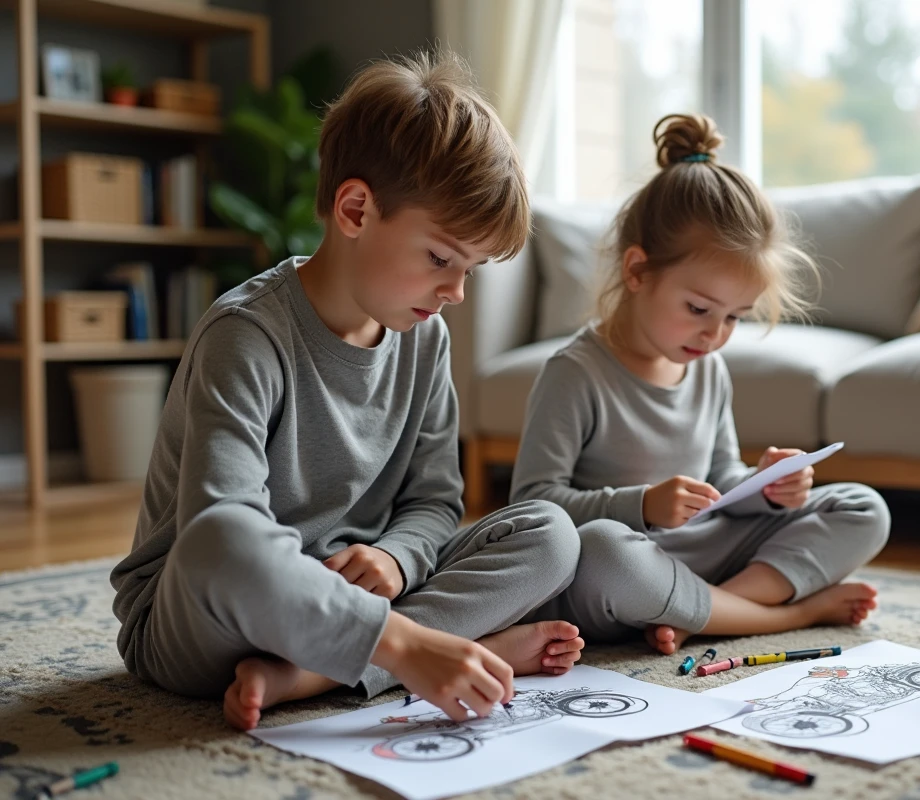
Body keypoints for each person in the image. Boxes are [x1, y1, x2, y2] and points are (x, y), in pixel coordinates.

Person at [110, 52, 585, 731]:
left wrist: (394, 557)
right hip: (200, 627)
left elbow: (433, 500)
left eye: (470, 270)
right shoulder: (245, 334)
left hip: (354, 601)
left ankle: (307, 674)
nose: (454, 293)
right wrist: (402, 637)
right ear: (356, 210)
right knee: (225, 541)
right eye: (441, 259)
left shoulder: (426, 338)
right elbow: (219, 535)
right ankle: (406, 652)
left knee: (550, 534)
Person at [513, 113, 890, 655]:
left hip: (699, 561)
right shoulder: (576, 372)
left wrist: (764, 490)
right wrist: (640, 506)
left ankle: (705, 609)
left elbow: (719, 479)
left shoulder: (706, 365)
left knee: (863, 507)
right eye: (698, 309)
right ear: (638, 272)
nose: (715, 334)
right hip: (626, 565)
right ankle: (784, 614)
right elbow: (533, 505)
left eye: (736, 317)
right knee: (607, 553)